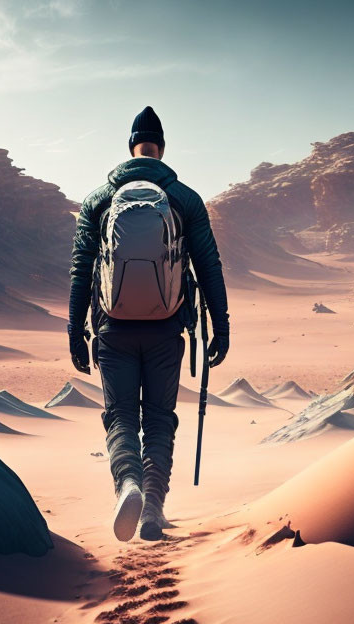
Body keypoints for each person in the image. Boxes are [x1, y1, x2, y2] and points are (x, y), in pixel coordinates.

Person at [68, 106, 230, 541]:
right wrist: (221, 324)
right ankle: (153, 508)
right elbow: (209, 264)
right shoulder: (184, 199)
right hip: (165, 330)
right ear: (162, 149)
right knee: (160, 418)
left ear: (130, 147)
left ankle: (129, 484)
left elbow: (81, 268)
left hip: (112, 329)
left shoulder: (99, 200)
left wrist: (74, 332)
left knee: (120, 416)